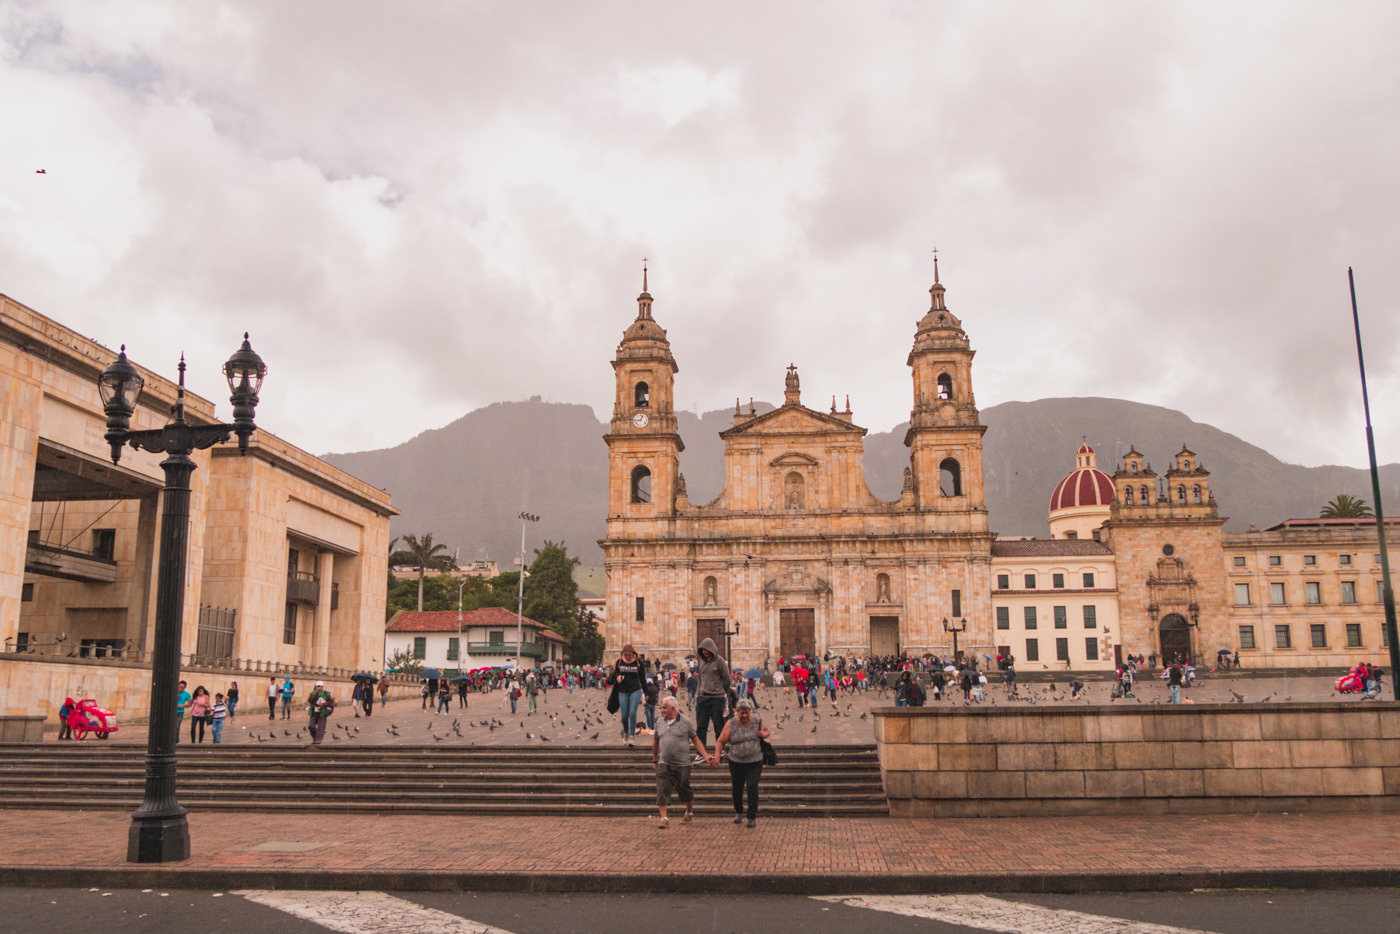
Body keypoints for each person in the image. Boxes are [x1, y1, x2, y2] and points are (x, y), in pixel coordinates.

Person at [651, 695, 713, 828]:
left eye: (664, 708)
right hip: (664, 762)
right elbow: (656, 741)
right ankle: (664, 818)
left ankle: (689, 812)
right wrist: (655, 759)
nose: (662, 710)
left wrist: (706, 755)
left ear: (673, 708)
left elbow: (695, 740)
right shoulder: (659, 722)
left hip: (682, 763)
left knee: (684, 789)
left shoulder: (686, 722)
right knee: (662, 788)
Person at [713, 697, 770, 828]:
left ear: (750, 711)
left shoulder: (756, 721)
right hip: (736, 761)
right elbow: (720, 741)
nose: (744, 715)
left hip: (755, 761)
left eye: (746, 712)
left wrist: (763, 734)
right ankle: (739, 811)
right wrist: (717, 756)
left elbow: (767, 731)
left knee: (752, 786)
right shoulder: (731, 724)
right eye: (741, 713)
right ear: (736, 712)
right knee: (737, 788)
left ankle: (751, 816)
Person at [693, 638, 731, 756]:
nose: (703, 651)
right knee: (701, 727)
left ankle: (720, 750)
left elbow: (727, 679)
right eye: (702, 649)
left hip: (717, 698)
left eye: (705, 649)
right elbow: (700, 679)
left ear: (712, 649)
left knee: (718, 725)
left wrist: (720, 691)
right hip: (703, 698)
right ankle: (701, 753)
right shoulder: (702, 662)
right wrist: (698, 694)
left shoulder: (720, 661)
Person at [612, 644, 646, 745]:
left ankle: (632, 736)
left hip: (635, 689)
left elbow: (643, 678)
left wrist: (646, 693)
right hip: (622, 690)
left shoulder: (639, 662)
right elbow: (616, 672)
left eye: (629, 656)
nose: (628, 657)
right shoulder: (619, 662)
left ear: (633, 653)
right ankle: (626, 733)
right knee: (624, 716)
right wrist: (617, 676)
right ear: (623, 654)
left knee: (632, 713)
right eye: (626, 656)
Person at [306, 680, 334, 745]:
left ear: (322, 686)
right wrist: (316, 694)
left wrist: (324, 704)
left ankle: (318, 740)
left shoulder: (326, 693)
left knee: (321, 727)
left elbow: (330, 702)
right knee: (311, 726)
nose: (319, 688)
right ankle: (316, 736)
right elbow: (310, 700)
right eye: (317, 686)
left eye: (320, 686)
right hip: (314, 712)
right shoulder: (313, 693)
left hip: (322, 712)